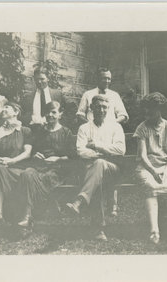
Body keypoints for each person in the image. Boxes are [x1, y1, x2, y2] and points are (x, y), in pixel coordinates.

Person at [66, 95, 126, 241]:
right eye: (98, 106)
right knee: (98, 177)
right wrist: (103, 152)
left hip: (113, 170)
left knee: (99, 164)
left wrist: (97, 146)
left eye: (104, 107)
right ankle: (99, 230)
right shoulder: (84, 128)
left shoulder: (116, 127)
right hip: (92, 171)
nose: (101, 110)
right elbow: (81, 151)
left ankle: (80, 200)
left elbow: (120, 150)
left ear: (108, 109)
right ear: (91, 108)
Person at [133, 92, 167, 246]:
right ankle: (154, 232)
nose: (147, 113)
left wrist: (166, 171)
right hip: (147, 167)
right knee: (151, 186)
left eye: (151, 109)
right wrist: (154, 171)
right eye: (146, 109)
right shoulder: (142, 128)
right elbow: (143, 156)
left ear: (159, 109)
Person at [76, 68, 129, 215]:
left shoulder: (114, 96)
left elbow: (123, 115)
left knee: (99, 165)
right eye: (103, 78)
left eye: (109, 79)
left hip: (110, 154)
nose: (106, 81)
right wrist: (90, 124)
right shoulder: (88, 95)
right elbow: (80, 114)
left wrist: (111, 123)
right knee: (99, 165)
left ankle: (80, 201)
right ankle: (100, 224)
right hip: (93, 158)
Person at [16, 101, 75, 227]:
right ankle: (34, 212)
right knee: (27, 174)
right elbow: (32, 151)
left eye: (54, 112)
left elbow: (72, 156)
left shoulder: (66, 132)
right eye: (47, 112)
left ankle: (31, 214)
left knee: (46, 178)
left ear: (60, 114)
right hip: (39, 167)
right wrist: (35, 155)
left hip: (58, 170)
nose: (50, 115)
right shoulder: (39, 132)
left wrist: (57, 159)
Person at [0, 102, 34, 222]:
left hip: (19, 169)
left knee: (2, 171)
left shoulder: (25, 131)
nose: (3, 110)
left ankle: (14, 213)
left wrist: (12, 161)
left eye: (6, 107)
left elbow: (27, 152)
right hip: (1, 167)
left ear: (16, 112)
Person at [20, 65, 65, 130]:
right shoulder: (28, 96)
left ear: (48, 78)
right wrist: (31, 119)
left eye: (42, 79)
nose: (39, 82)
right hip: (33, 130)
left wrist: (60, 122)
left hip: (51, 130)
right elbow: (21, 114)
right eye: (37, 79)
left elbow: (71, 109)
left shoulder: (57, 94)